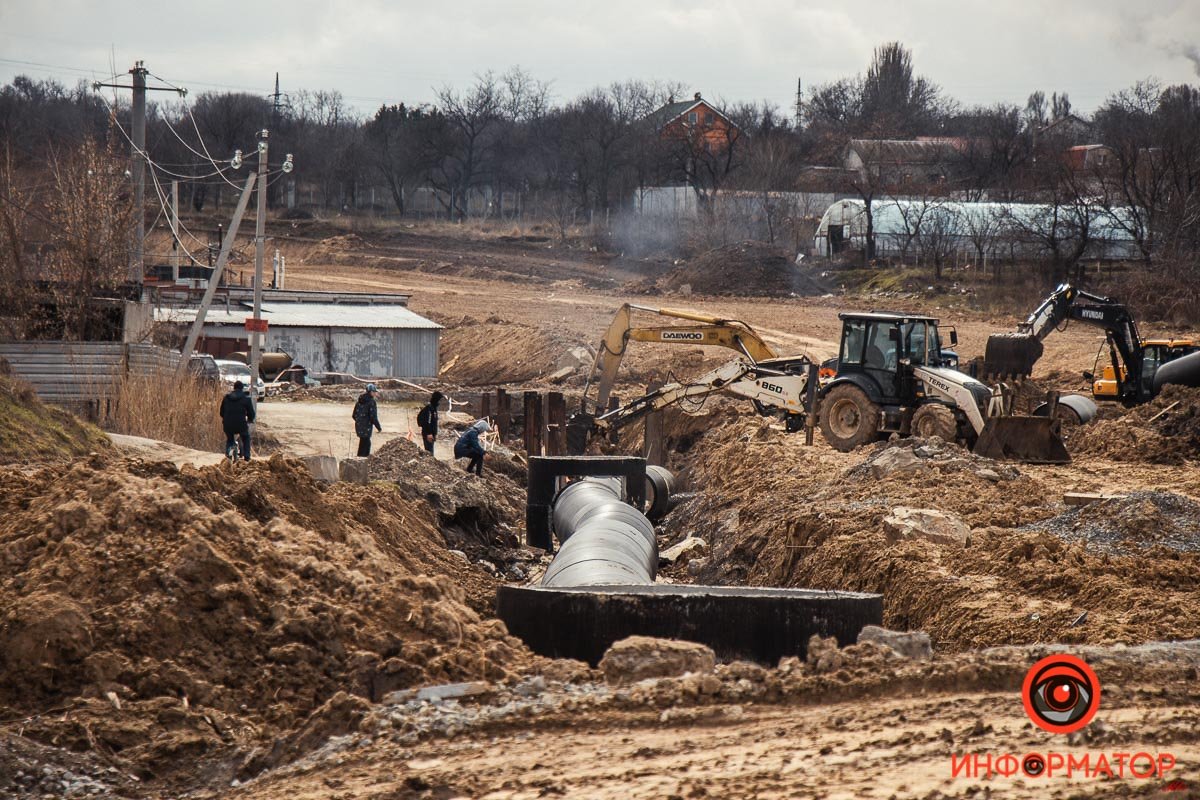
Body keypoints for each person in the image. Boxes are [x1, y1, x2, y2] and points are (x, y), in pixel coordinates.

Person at [219, 380, 255, 461]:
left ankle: (228, 457)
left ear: (234, 388)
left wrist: (226, 418)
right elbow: (251, 413)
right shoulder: (246, 399)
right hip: (241, 425)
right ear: (242, 389)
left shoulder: (226, 398)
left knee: (230, 439)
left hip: (228, 425)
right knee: (246, 438)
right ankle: (247, 457)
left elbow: (221, 413)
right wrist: (250, 419)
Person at [352, 383, 383, 456]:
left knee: (363, 443)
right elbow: (373, 417)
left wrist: (359, 421)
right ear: (371, 392)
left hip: (359, 427)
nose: (375, 393)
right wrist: (379, 428)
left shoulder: (359, 401)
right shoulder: (371, 402)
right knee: (366, 445)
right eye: (375, 392)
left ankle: (359, 459)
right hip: (367, 428)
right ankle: (361, 462)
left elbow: (354, 415)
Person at [416, 391, 443, 455]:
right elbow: (427, 422)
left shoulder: (434, 409)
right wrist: (429, 433)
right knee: (429, 452)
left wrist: (435, 433)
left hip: (432, 434)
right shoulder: (429, 409)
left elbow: (434, 422)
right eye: (439, 400)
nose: (440, 402)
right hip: (428, 434)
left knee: (431, 451)